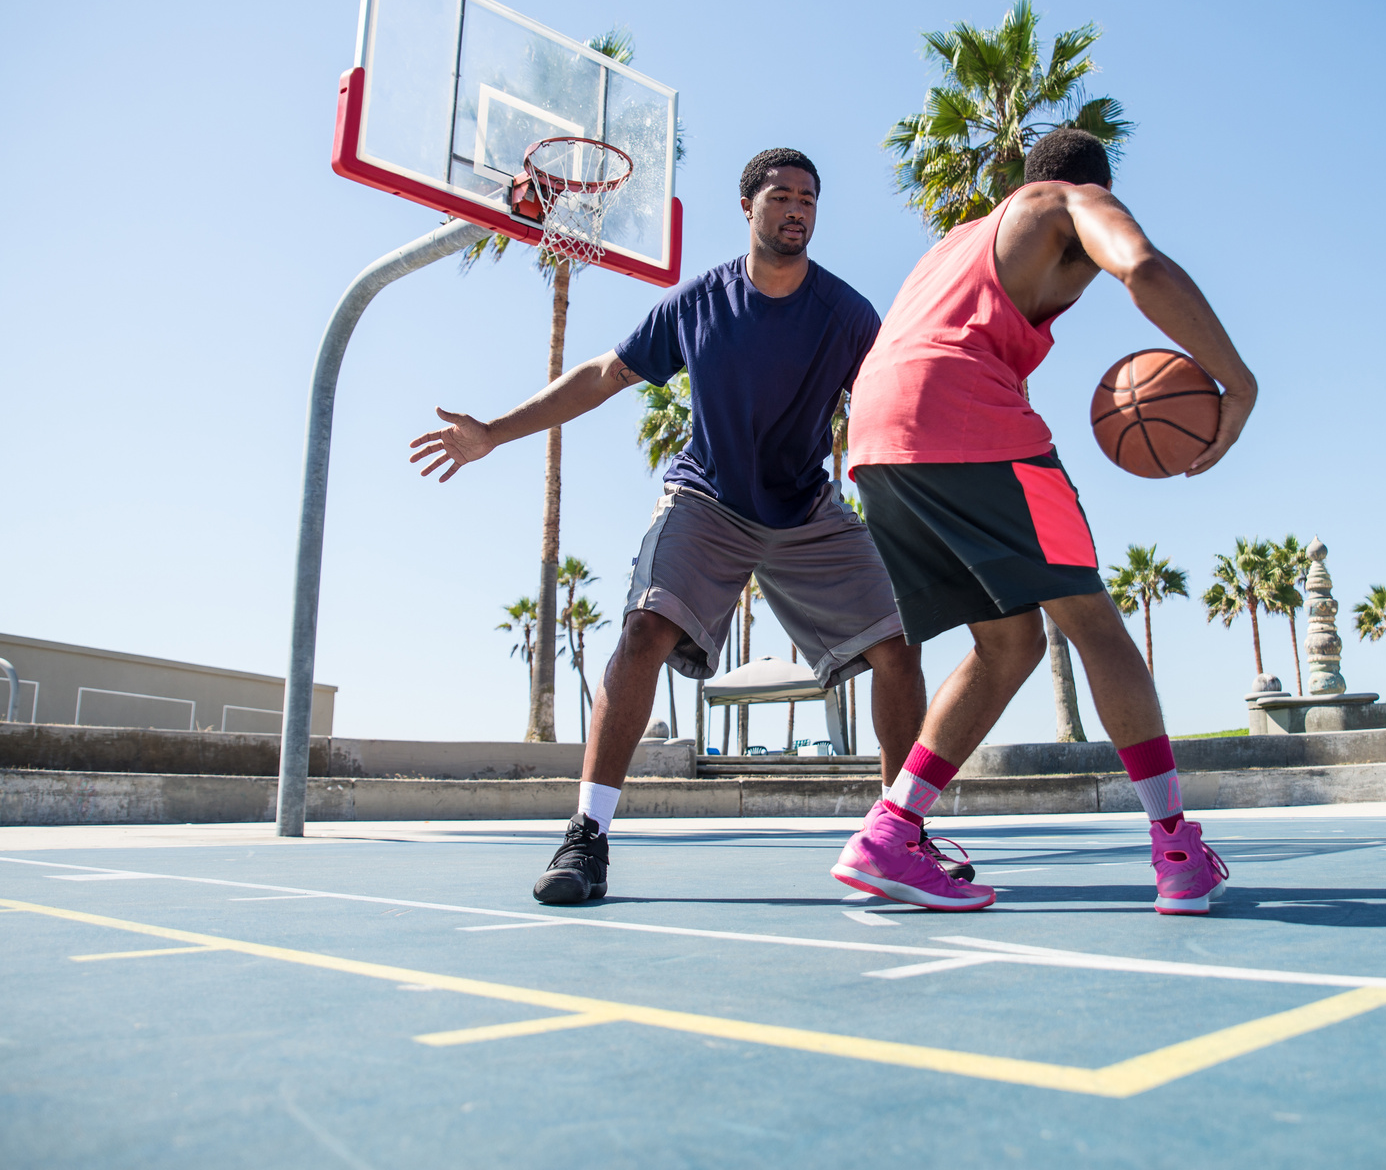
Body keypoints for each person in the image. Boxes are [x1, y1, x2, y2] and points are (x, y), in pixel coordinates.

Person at [410, 148, 941, 905]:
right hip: (708, 500)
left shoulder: (847, 314)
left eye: (809, 200)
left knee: (896, 646)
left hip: (804, 509)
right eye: (782, 196)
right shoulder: (700, 303)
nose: (797, 210)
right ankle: (586, 836)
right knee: (643, 630)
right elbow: (602, 375)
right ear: (748, 208)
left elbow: (895, 401)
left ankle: (901, 836)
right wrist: (493, 430)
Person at [837, 128, 1257, 915]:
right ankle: (1175, 848)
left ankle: (889, 834)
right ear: (1093, 184)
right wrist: (1238, 385)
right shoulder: (1068, 199)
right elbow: (1143, 267)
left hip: (876, 434)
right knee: (1094, 626)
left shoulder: (957, 243)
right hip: (963, 416)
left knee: (1008, 642)